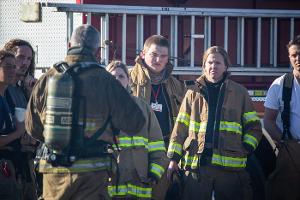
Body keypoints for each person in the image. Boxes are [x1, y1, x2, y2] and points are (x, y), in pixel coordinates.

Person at [25, 24, 146, 200]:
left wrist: (58, 139)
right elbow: (135, 123)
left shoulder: (48, 77)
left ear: (69, 45)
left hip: (55, 172)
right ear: (97, 51)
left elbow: (31, 126)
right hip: (93, 174)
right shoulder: (105, 80)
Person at [167, 46, 262, 200]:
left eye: (218, 63)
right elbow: (180, 128)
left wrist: (245, 147)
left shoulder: (240, 93)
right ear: (204, 66)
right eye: (209, 62)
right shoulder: (192, 93)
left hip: (230, 169)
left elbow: (254, 128)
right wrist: (173, 159)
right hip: (197, 166)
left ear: (226, 66)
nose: (213, 66)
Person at [129, 35, 185, 199]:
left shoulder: (177, 86)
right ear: (143, 54)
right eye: (154, 54)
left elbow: (183, 125)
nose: (158, 59)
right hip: (135, 154)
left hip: (164, 156)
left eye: (163, 56)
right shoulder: (128, 80)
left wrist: (175, 158)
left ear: (168, 59)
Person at [106, 60, 168, 199]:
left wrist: (154, 174)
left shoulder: (143, 108)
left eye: (121, 76)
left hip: (139, 183)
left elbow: (157, 145)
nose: (117, 80)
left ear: (128, 80)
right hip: (110, 183)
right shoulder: (100, 109)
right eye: (112, 77)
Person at [264, 35, 300, 200]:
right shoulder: (279, 85)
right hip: (291, 149)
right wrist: (283, 143)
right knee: (287, 192)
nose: (298, 58)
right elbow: (268, 120)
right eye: (294, 55)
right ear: (290, 57)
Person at [4, 39, 38, 200]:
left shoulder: (22, 88)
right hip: (7, 164)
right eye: (20, 57)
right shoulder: (4, 89)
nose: (24, 63)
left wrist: (31, 93)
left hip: (25, 163)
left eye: (29, 59)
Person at [0, 50, 25, 200]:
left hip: (10, 167)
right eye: (7, 66)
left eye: (13, 67)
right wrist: (18, 133)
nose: (12, 71)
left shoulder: (6, 97)